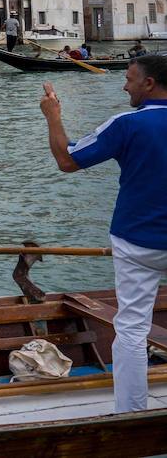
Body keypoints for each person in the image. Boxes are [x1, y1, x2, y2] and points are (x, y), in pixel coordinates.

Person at [39, 54, 167, 414]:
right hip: (140, 240)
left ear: (149, 84)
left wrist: (53, 117)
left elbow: (67, 160)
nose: (124, 85)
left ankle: (131, 415)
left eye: (129, 78)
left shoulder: (126, 124)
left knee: (131, 327)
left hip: (137, 241)